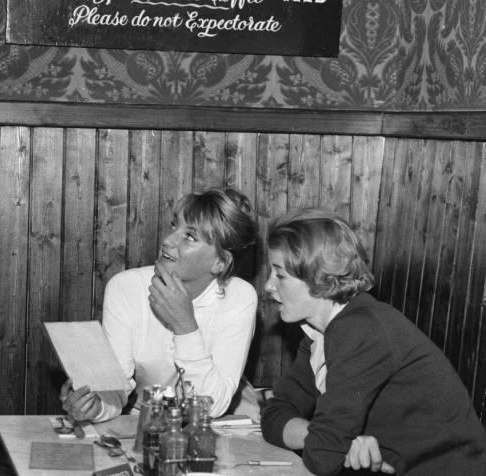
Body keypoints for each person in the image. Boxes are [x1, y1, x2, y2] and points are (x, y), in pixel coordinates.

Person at [260, 209, 486, 476]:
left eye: (280, 275)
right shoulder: (319, 333)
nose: (268, 286)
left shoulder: (360, 329)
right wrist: (329, 439)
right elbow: (274, 415)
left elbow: (323, 456)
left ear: (319, 277)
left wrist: (330, 442)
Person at [61, 187, 260, 422]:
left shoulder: (239, 297)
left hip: (220, 422)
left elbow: (211, 405)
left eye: (189, 236)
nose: (167, 240)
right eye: (175, 225)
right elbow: (115, 389)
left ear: (220, 262)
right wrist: (95, 407)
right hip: (147, 420)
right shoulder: (126, 287)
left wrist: (185, 325)